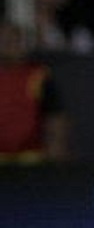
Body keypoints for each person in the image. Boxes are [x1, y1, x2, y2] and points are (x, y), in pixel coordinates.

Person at [0, 21, 68, 163]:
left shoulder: (38, 76)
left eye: (15, 41)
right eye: (5, 41)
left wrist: (56, 149)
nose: (10, 45)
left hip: (31, 159)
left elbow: (54, 116)